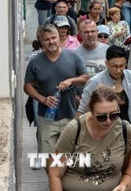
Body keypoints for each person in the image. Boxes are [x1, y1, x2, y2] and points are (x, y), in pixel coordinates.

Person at [23, 24, 89, 165]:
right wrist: (42, 99)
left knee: (70, 157)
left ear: (59, 38)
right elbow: (27, 86)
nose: (51, 42)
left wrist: (71, 80)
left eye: (53, 38)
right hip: (46, 118)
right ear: (41, 41)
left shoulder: (73, 56)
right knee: (47, 158)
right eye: (47, 39)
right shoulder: (35, 62)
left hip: (70, 115)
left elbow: (85, 77)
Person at [48, 86, 131, 190]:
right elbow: (55, 174)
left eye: (113, 115)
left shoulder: (124, 130)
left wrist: (124, 185)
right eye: (101, 117)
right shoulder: (75, 130)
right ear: (92, 112)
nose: (108, 121)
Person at [78, 45, 131, 137]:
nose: (118, 70)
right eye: (114, 66)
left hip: (130, 130)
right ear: (107, 64)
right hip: (106, 134)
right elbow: (82, 110)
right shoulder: (95, 82)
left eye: (122, 66)